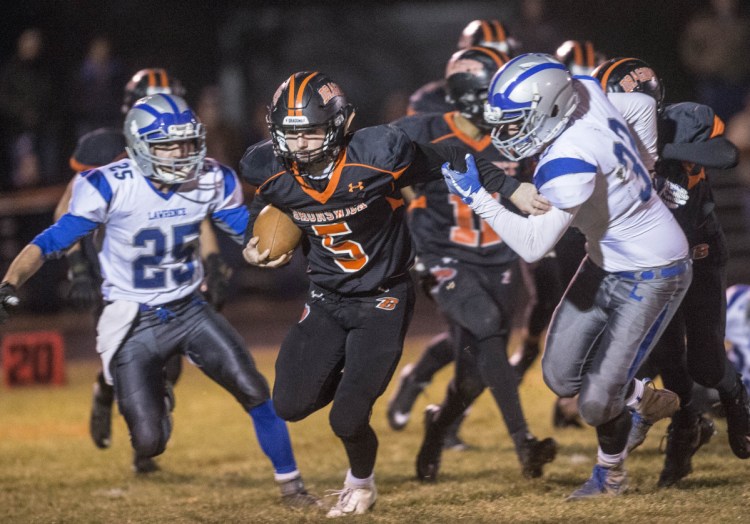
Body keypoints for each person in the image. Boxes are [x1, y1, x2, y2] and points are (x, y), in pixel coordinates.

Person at [240, 71, 545, 517]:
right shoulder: (265, 165)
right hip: (325, 297)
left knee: (346, 418)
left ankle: (361, 483)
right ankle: (349, 376)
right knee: (288, 404)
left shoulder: (378, 153)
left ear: (340, 125)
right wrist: (257, 239)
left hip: (382, 299)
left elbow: (454, 153)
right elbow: (266, 200)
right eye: (290, 135)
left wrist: (511, 188)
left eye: (310, 133)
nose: (300, 145)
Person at [0, 93, 318, 508]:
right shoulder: (110, 185)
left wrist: (263, 246)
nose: (182, 154)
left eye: (187, 143)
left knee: (254, 388)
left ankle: (292, 485)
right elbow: (49, 242)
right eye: (169, 144)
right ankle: (157, 402)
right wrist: (9, 283)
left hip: (190, 308)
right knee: (149, 442)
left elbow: (244, 229)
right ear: (138, 147)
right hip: (133, 319)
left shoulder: (208, 178)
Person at [442, 53, 692, 499]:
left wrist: (479, 199)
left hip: (655, 271)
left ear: (548, 108)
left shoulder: (565, 160)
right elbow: (638, 106)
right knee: (559, 377)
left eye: (516, 122)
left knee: (594, 403)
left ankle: (610, 477)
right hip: (603, 260)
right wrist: (647, 164)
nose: (507, 135)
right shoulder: (585, 89)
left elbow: (534, 244)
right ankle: (642, 398)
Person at [391, 46, 558, 481]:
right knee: (484, 324)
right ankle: (524, 443)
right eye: (493, 95)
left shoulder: (515, 136)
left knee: (474, 377)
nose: (503, 106)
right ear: (469, 95)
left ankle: (437, 428)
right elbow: (369, 155)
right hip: (443, 254)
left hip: (499, 258)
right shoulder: (424, 129)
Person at [54, 68, 232, 455]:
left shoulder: (181, 151)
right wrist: (78, 266)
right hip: (114, 274)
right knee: (125, 361)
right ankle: (109, 398)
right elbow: (66, 209)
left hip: (166, 272)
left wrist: (214, 261)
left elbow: (196, 214)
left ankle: (139, 423)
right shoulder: (103, 148)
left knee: (171, 368)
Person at [594, 57, 749, 486]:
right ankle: (686, 429)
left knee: (705, 365)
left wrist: (654, 150)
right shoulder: (602, 140)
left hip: (699, 256)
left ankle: (736, 398)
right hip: (653, 265)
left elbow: (725, 153)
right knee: (661, 357)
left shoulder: (687, 118)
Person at [407, 18, 519, 116]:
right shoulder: (431, 100)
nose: (496, 64)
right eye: (486, 58)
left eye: (501, 56)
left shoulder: (522, 92)